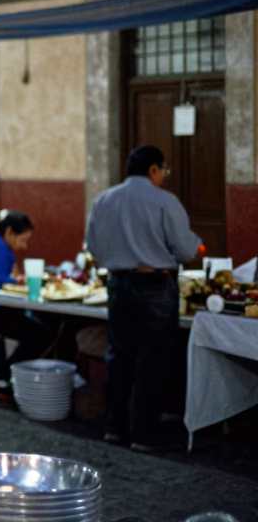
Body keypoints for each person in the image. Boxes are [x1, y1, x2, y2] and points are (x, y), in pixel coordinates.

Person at [86, 144, 200, 452]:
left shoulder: (103, 200)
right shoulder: (165, 201)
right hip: (155, 286)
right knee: (153, 360)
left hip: (118, 285)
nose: (164, 175)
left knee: (119, 356)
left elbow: (93, 247)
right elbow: (185, 250)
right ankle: (144, 436)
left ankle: (114, 428)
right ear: (153, 169)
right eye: (164, 170)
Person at [0, 211, 54, 394]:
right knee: (41, 335)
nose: (23, 246)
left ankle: (5, 378)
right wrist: (19, 281)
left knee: (35, 326)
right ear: (9, 232)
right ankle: (1, 380)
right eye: (23, 240)